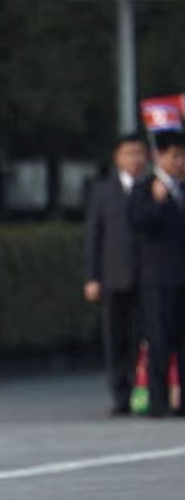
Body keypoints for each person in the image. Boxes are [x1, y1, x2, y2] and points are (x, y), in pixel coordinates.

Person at [87, 134, 148, 416]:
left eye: (139, 153)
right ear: (117, 157)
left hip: (147, 277)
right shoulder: (103, 191)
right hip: (113, 276)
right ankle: (120, 394)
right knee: (115, 338)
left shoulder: (153, 188)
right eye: (128, 153)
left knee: (143, 338)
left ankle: (144, 390)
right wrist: (93, 277)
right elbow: (94, 238)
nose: (134, 159)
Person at [128, 132, 185, 418]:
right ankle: (159, 402)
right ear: (160, 157)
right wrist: (158, 203)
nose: (180, 162)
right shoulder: (145, 188)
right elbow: (138, 223)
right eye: (174, 156)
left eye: (182, 156)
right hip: (158, 280)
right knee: (159, 341)